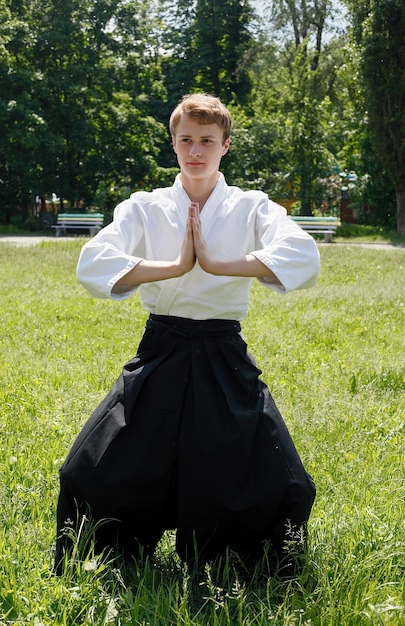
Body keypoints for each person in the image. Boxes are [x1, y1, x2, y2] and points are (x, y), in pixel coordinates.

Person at [54, 93, 320, 576]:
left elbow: (303, 256)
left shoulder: (251, 206)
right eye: (185, 140)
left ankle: (230, 559)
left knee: (280, 480)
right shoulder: (145, 206)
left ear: (225, 145)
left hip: (223, 350)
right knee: (89, 469)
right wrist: (175, 266)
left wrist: (217, 264)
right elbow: (92, 264)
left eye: (207, 141)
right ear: (173, 144)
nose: (195, 150)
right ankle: (115, 550)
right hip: (162, 347)